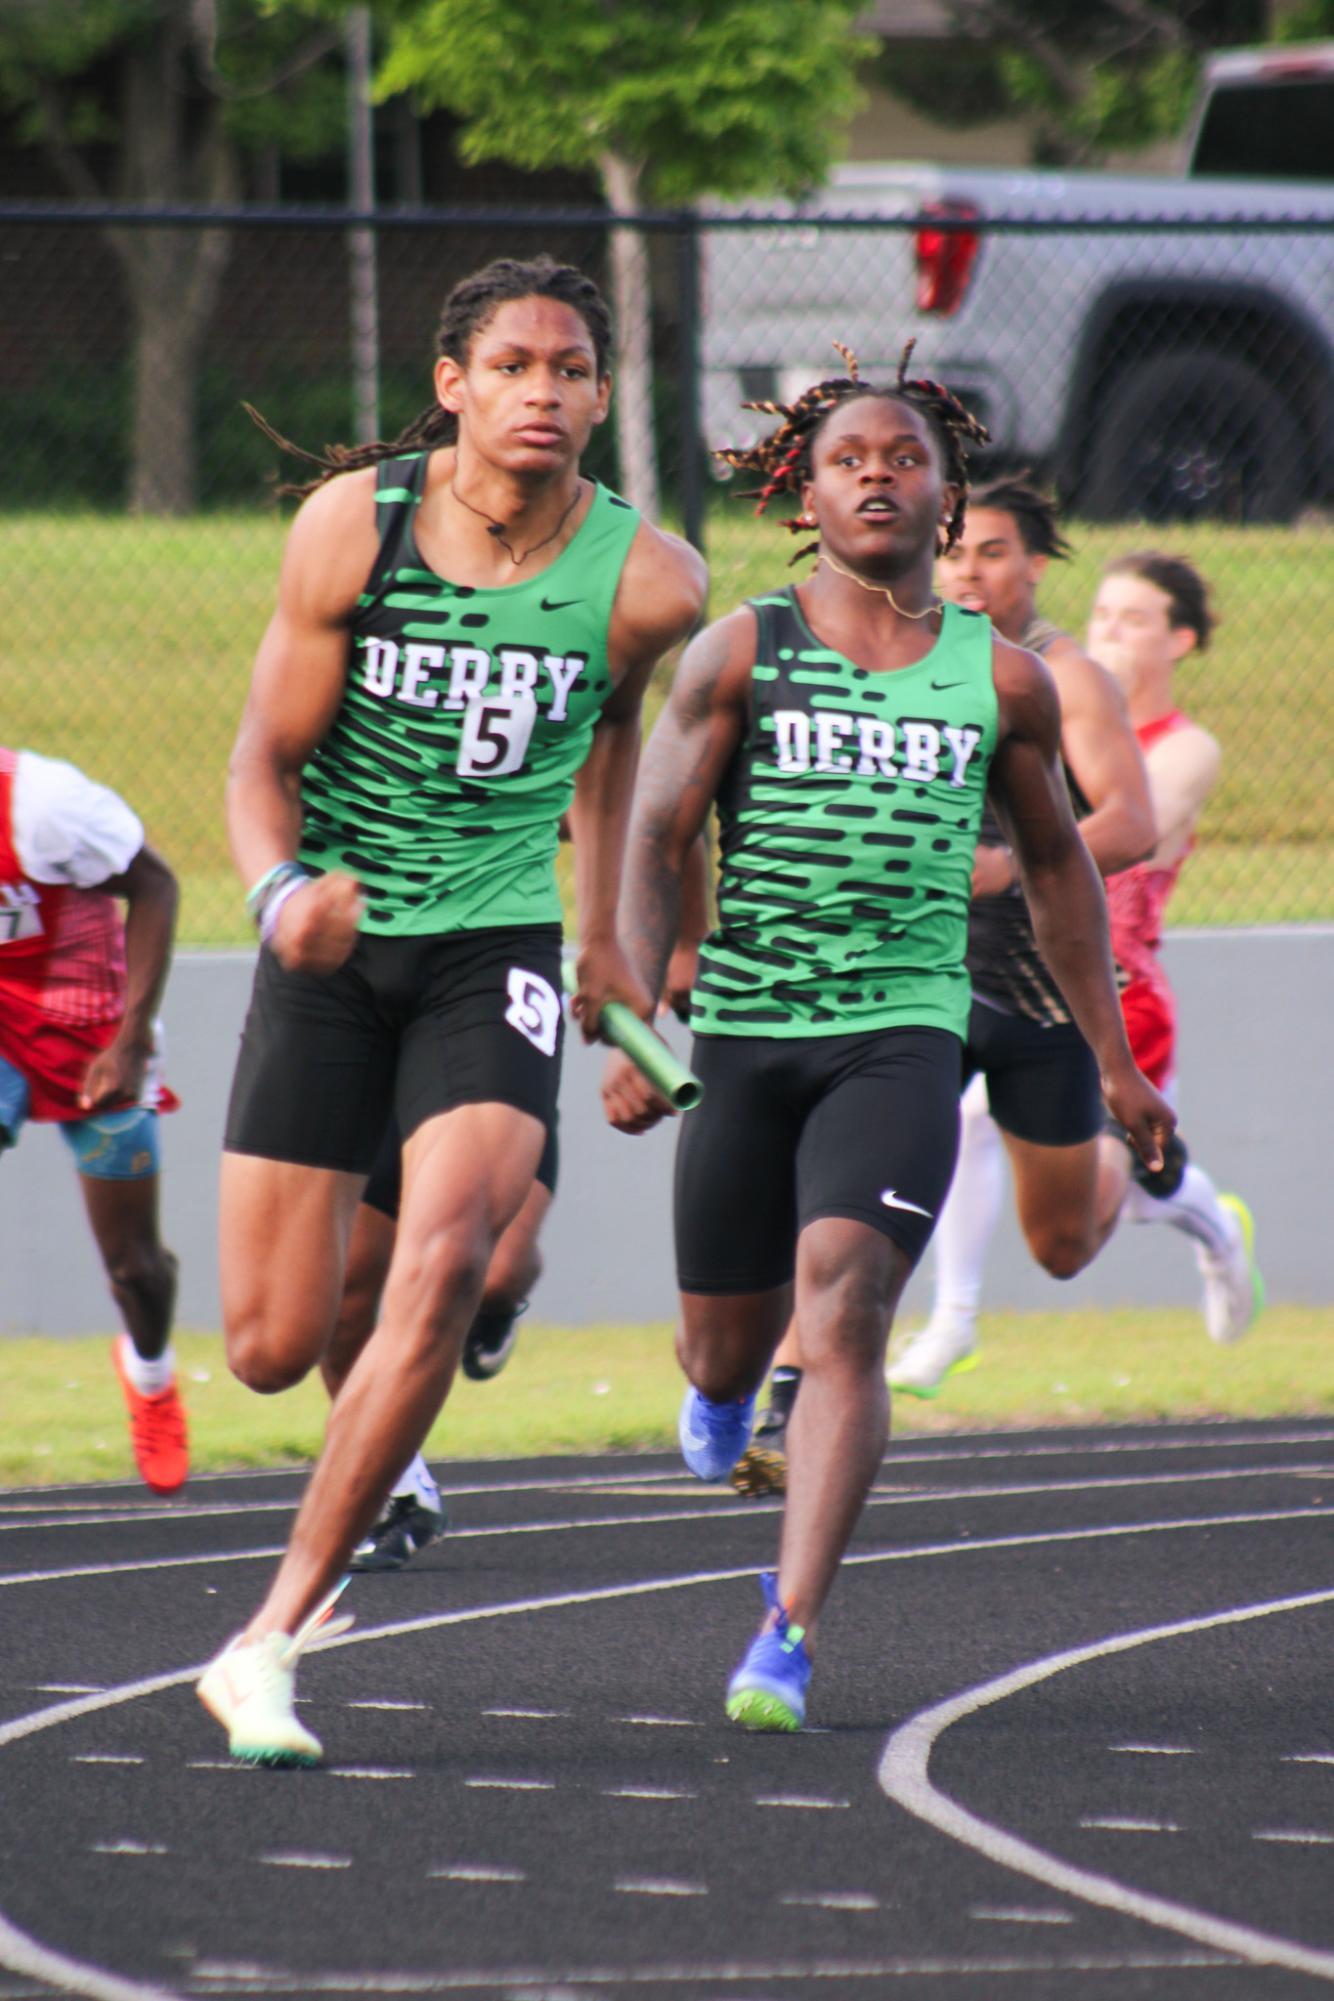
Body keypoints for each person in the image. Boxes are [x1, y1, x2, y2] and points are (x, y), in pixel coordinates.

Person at [601, 348, 1172, 1731]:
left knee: (847, 1306)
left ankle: (784, 1633)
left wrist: (1112, 1064)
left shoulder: (1005, 681)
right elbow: (656, 831)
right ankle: (726, 1407)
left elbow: (1060, 879)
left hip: (900, 1032)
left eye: (902, 458)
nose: (875, 473)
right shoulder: (743, 643)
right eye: (848, 456)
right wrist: (632, 1012)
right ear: (806, 487)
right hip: (746, 1030)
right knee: (719, 1357)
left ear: (945, 498)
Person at [196, 254, 706, 1767]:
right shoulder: (352, 529)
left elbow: (617, 735)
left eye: (569, 369)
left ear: (603, 394)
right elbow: (256, 762)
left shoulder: (648, 574)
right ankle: (386, 1257)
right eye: (512, 366)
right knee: (273, 1344)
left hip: (496, 948)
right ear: (452, 385)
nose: (541, 393)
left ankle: (270, 1636)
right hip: (332, 950)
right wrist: (281, 895)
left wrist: (609, 935)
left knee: (446, 1253)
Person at [732, 475, 1154, 1475]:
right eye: (957, 551)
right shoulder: (879, 660)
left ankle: (1118, 1164)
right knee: (843, 1205)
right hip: (914, 987)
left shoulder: (1058, 674)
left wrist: (1007, 867)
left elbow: (1132, 824)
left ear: (1032, 566)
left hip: (1037, 991)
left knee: (1057, 1245)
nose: (970, 570)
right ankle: (787, 1406)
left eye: (994, 553)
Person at [891, 539, 1262, 1396]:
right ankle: (957, 1318)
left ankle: (1197, 1206)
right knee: (986, 1130)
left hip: (1113, 994)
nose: (1110, 633)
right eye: (1102, 616)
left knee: (1044, 1178)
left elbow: (1133, 825)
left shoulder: (1180, 746)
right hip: (1016, 979)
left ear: (1181, 642)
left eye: (1136, 620)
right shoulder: (1038, 707)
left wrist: (1018, 833)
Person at [0, 746, 185, 1493]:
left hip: (84, 1030)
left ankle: (150, 1373)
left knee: (134, 1266)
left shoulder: (42, 805)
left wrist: (131, 1036)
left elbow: (159, 883)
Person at [327, 1110, 559, 1571]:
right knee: (339, 1295)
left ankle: (497, 1304)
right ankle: (407, 1491)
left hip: (489, 1078)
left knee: (497, 1276)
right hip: (381, 1086)